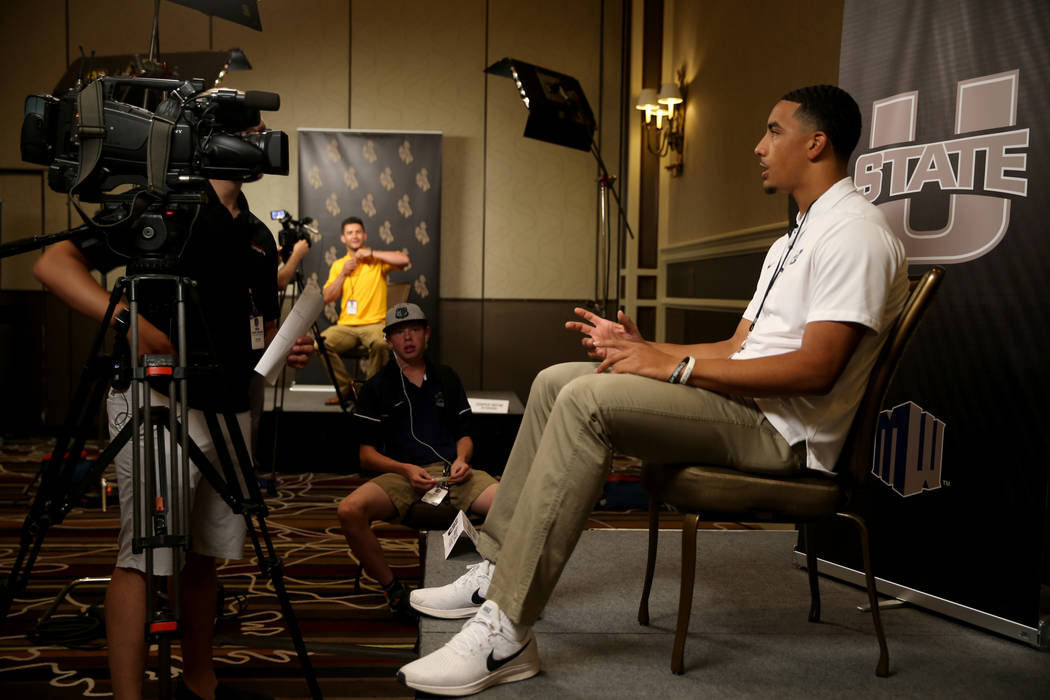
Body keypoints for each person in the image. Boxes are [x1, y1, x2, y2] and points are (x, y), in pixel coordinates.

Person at [397, 84, 909, 696]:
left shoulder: (856, 233)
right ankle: (499, 565)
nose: (758, 147)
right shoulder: (791, 238)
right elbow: (739, 349)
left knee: (588, 402)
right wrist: (645, 350)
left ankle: (507, 630)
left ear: (816, 142)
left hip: (785, 433)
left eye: (773, 131)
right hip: (746, 406)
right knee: (556, 379)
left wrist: (674, 370)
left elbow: (814, 372)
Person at [33, 175, 315, 700]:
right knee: (143, 556)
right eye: (245, 125)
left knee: (204, 554)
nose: (256, 137)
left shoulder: (254, 230)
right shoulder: (158, 205)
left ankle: (199, 681)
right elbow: (54, 262)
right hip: (160, 402)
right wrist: (128, 324)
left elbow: (256, 324)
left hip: (232, 407)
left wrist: (282, 350)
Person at [337, 303, 498, 617]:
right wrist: (404, 469)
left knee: (513, 506)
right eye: (398, 332)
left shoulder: (447, 378)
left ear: (426, 334)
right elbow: (365, 456)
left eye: (413, 330)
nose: (407, 338)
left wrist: (463, 458)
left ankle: (492, 582)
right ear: (388, 341)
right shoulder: (377, 387)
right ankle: (394, 591)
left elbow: (465, 433)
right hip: (402, 476)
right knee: (349, 510)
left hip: (455, 473)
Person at [318, 216, 410, 405]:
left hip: (375, 325)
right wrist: (343, 273)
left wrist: (372, 253)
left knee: (382, 344)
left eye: (358, 232)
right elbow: (327, 297)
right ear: (343, 238)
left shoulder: (376, 261)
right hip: (346, 327)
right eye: (350, 232)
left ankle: (369, 393)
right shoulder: (338, 265)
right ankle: (347, 390)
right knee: (321, 343)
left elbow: (404, 260)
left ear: (365, 235)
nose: (354, 236)